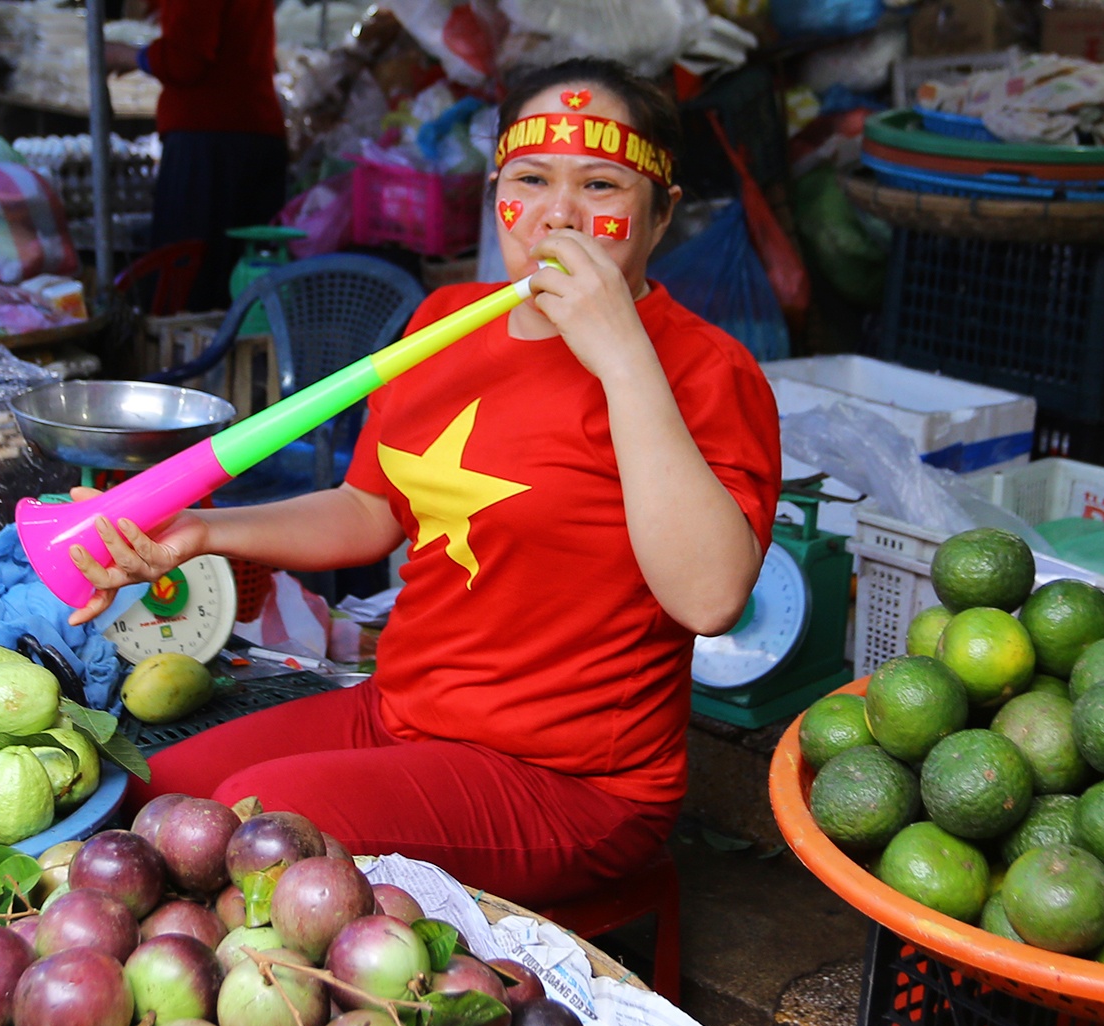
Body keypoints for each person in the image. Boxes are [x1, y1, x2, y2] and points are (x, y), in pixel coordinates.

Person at [69, 58, 783, 906]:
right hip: (397, 716)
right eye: (531, 179)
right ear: (496, 194)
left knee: (255, 824)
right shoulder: (446, 320)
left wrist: (623, 354)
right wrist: (203, 532)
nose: (560, 214)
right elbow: (370, 510)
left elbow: (709, 600)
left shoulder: (708, 370)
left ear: (660, 214)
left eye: (600, 185)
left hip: (572, 783)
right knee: (142, 800)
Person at [105, 0, 289, 310]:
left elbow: (185, 60)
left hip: (212, 137)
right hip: (250, 130)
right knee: (238, 294)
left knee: (192, 288)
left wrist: (126, 55)